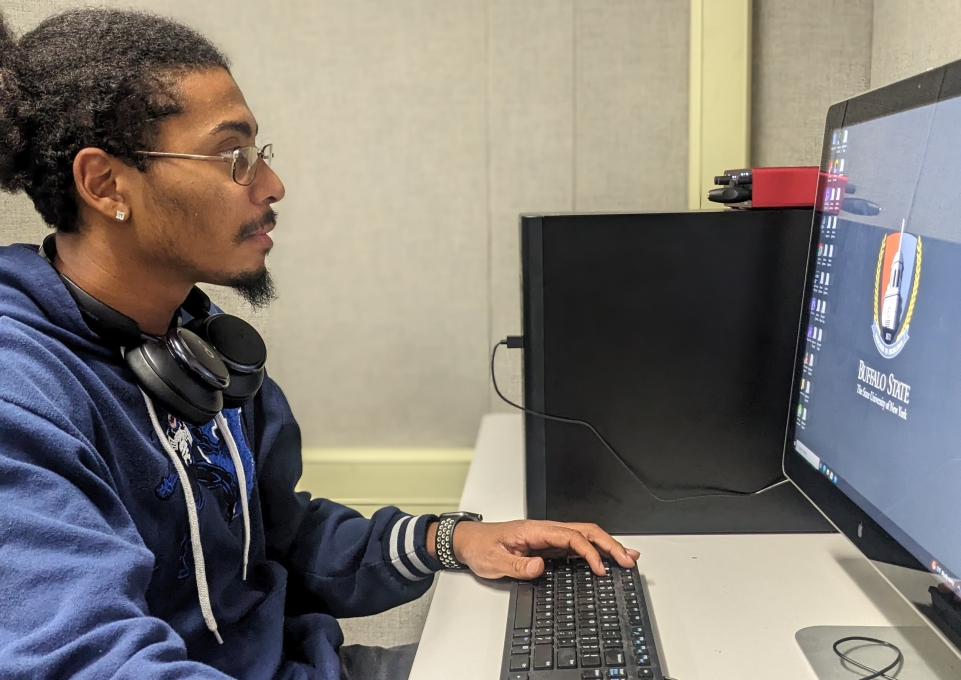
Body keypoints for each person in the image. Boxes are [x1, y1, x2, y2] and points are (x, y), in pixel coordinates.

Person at [0, 9, 640, 680]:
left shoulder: (201, 348)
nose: (271, 187)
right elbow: (92, 661)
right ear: (105, 184)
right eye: (234, 157)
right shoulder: (22, 396)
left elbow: (281, 537)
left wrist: (447, 539)